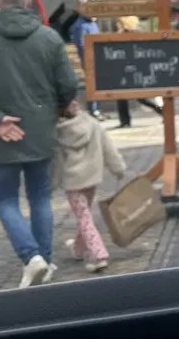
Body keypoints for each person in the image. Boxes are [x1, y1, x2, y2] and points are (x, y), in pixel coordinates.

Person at [0, 0, 78, 288]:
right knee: (40, 197)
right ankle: (44, 259)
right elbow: (67, 84)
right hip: (40, 128)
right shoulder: (49, 37)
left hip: (1, 133)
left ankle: (31, 257)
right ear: (28, 3)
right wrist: (57, 108)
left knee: (6, 199)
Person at [53, 99, 128, 274]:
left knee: (83, 217)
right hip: (91, 178)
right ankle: (78, 249)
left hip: (73, 182)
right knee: (84, 215)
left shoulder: (56, 131)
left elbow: (55, 162)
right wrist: (118, 168)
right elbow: (108, 147)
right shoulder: (92, 123)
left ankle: (98, 254)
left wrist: (51, 184)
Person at [114, 14, 164, 129]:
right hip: (124, 69)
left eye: (119, 22)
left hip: (137, 70)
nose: (117, 25)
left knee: (142, 97)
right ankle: (125, 121)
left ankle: (163, 112)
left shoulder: (136, 34)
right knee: (121, 96)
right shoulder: (120, 34)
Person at [70, 10, 101, 116]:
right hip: (89, 58)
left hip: (97, 56)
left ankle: (97, 109)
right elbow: (81, 45)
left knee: (97, 83)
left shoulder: (93, 23)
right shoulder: (80, 25)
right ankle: (93, 110)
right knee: (92, 82)